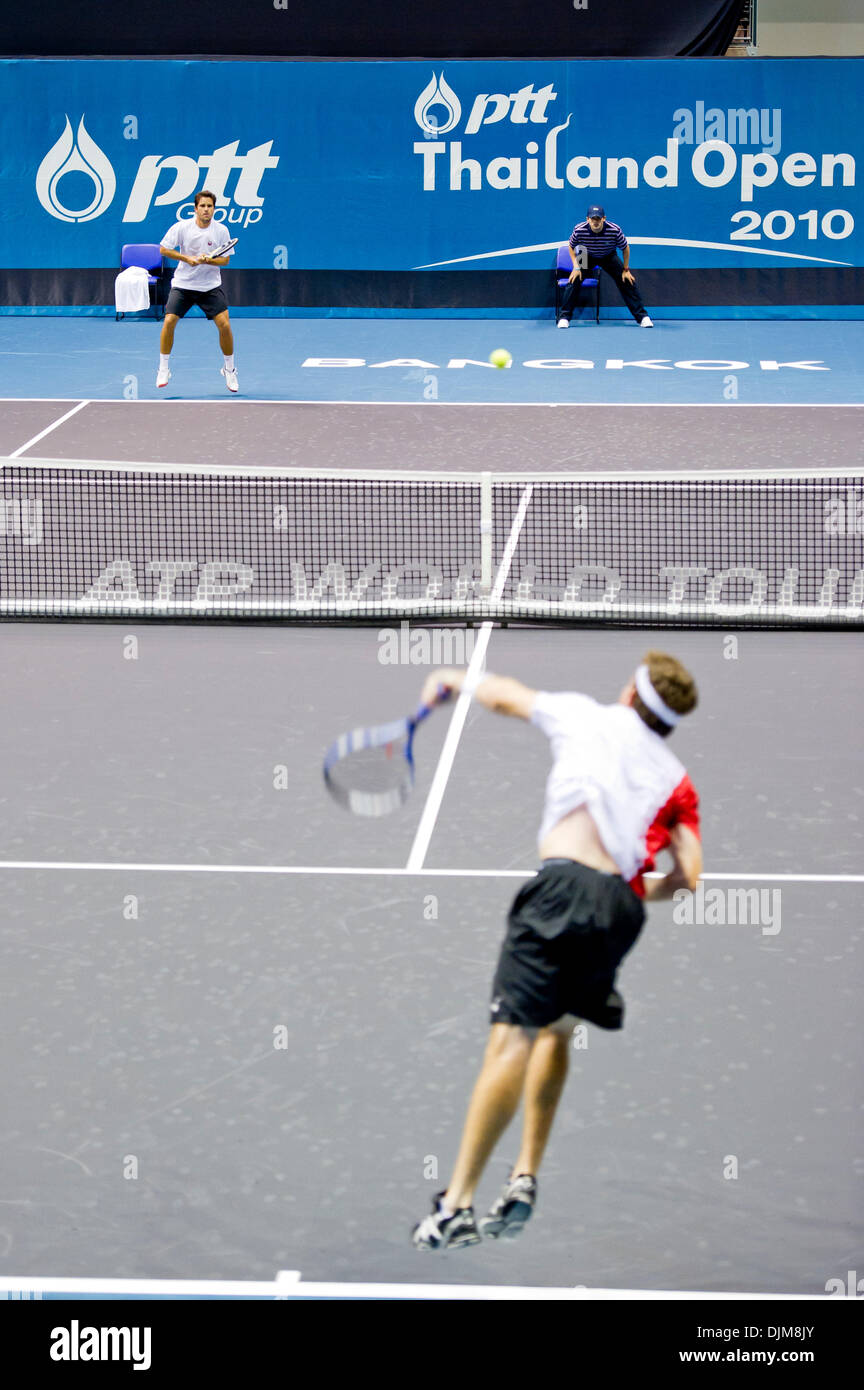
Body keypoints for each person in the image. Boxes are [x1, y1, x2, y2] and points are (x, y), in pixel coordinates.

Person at [411, 651, 701, 1250]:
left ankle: (457, 1203)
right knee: (558, 1031)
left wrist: (451, 679)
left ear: (630, 694)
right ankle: (523, 1176)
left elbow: (506, 695)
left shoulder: (585, 717)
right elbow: (690, 877)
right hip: (618, 911)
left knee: (511, 1038)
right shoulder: (676, 779)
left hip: (561, 892)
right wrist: (628, 889)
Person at [157, 190, 238, 392]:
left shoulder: (221, 231)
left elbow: (225, 260)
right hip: (183, 285)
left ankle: (229, 369)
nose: (206, 209)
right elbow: (164, 249)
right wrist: (188, 259)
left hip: (210, 287)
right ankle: (163, 368)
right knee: (169, 321)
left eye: (209, 206)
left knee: (225, 325)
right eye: (202, 206)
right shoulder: (182, 228)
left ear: (214, 209)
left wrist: (209, 259)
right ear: (195, 209)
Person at [558, 205, 653, 329]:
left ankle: (642, 317)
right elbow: (571, 246)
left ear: (604, 218)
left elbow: (625, 248)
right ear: (587, 219)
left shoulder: (614, 230)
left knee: (627, 281)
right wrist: (576, 267)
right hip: (586, 255)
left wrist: (626, 269)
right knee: (574, 280)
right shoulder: (579, 229)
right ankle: (564, 318)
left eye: (598, 219)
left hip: (608, 256)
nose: (595, 222)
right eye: (593, 219)